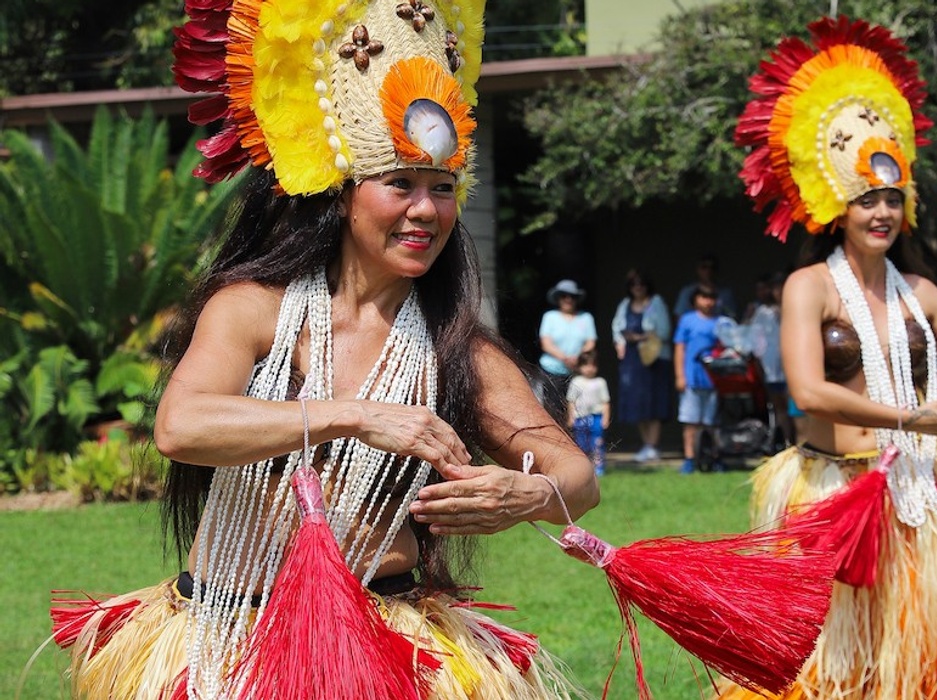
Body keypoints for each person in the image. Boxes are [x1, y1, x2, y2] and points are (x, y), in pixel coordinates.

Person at [51, 4, 598, 698]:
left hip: (385, 635)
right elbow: (180, 427)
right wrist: (354, 415)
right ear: (343, 196)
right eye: (399, 184)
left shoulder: (454, 348)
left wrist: (531, 492)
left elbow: (578, 478)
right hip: (228, 633)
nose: (425, 211)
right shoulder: (253, 309)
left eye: (441, 189)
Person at [717, 17, 937, 700]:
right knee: (838, 664)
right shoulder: (810, 287)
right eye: (865, 199)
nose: (880, 211)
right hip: (835, 490)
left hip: (924, 485)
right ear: (835, 207)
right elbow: (809, 393)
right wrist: (907, 418)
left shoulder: (921, 291)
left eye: (891, 197)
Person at [610, 268, 672, 462]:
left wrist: (639, 337)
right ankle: (646, 444)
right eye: (634, 284)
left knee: (654, 402)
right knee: (637, 403)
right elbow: (617, 328)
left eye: (641, 284)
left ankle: (653, 445)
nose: (638, 288)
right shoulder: (625, 304)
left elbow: (663, 331)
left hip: (653, 359)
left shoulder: (655, 303)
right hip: (632, 361)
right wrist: (620, 342)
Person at [673, 286, 721, 474]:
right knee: (691, 421)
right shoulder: (687, 320)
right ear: (695, 299)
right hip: (691, 379)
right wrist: (680, 375)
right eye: (703, 297)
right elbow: (680, 348)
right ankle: (690, 459)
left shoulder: (720, 322)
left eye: (711, 297)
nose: (707, 301)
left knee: (712, 423)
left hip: (714, 380)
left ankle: (714, 457)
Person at [747, 271, 795, 449]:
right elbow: (754, 339)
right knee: (780, 408)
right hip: (772, 368)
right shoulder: (762, 312)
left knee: (797, 410)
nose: (778, 292)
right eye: (775, 288)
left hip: (793, 368)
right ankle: (788, 444)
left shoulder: (796, 307)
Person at [538, 279, 597, 390]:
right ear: (558, 298)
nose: (568, 299)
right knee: (552, 406)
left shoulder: (586, 317)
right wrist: (565, 358)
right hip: (552, 370)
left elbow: (590, 343)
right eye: (563, 296)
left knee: (577, 406)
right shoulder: (550, 317)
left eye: (572, 296)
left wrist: (577, 357)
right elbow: (546, 344)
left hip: (578, 371)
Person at [568, 350, 611, 477]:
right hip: (580, 417)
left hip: (596, 416)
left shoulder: (600, 382)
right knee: (581, 443)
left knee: (597, 443)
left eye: (593, 365)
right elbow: (571, 401)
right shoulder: (576, 382)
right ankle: (584, 467)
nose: (589, 369)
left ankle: (598, 467)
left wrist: (606, 418)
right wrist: (570, 417)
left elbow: (605, 402)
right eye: (586, 365)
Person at [673, 254, 739, 320]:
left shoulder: (726, 293)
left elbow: (732, 318)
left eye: (712, 267)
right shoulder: (687, 291)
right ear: (698, 269)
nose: (708, 271)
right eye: (704, 267)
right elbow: (680, 317)